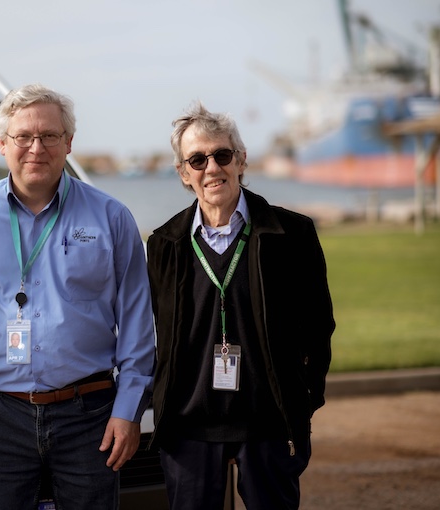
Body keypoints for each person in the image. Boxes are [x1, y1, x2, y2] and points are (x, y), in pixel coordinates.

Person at [0, 83, 156, 510]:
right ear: (2, 143)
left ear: (69, 143)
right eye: (23, 136)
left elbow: (137, 322)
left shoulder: (112, 217)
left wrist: (128, 409)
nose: (36, 147)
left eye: (50, 136)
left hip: (90, 414)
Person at [146, 102, 335, 510]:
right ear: (183, 173)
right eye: (197, 159)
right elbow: (152, 332)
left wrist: (305, 400)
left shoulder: (293, 234)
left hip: (268, 423)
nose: (211, 167)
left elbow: (319, 326)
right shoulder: (164, 244)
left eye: (222, 155)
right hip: (188, 426)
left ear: (241, 160)